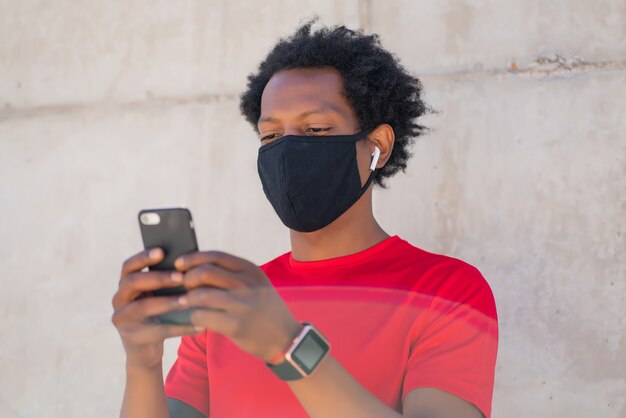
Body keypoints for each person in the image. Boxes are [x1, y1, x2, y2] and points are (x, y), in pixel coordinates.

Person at [112, 21, 498, 418]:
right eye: (270, 137)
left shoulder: (447, 291)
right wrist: (141, 363)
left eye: (315, 128)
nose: (287, 151)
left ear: (378, 145)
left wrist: (288, 346)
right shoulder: (233, 299)